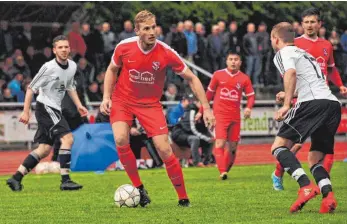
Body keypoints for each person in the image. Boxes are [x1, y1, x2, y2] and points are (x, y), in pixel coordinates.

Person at [99, 10, 215, 207]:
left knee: (164, 149)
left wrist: (206, 107)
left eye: (153, 27)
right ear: (136, 31)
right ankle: (140, 189)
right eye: (146, 28)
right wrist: (106, 97)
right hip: (123, 100)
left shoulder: (166, 52)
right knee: (120, 138)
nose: (152, 32)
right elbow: (111, 70)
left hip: (150, 104)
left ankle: (183, 197)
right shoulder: (123, 47)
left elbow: (192, 78)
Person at [271, 8, 347, 191]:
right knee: (309, 153)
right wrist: (289, 95)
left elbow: (326, 69)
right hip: (324, 101)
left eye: (313, 22)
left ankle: (305, 186)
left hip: (311, 101)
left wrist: (287, 103)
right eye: (306, 22)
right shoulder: (297, 45)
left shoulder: (324, 45)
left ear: (319, 24)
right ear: (301, 24)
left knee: (283, 146)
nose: (310, 25)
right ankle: (324, 193)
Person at [6, 35, 88, 192]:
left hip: (54, 109)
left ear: (69, 49)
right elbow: (31, 88)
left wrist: (79, 105)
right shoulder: (48, 67)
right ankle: (66, 180)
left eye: (66, 47)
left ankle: (16, 178)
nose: (64, 50)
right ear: (54, 50)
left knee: (44, 149)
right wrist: (25, 111)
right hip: (46, 108)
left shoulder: (72, 66)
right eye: (60, 47)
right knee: (68, 138)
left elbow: (70, 87)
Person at [196, 52, 255, 180]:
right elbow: (208, 95)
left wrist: (248, 108)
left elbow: (250, 96)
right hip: (220, 115)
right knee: (220, 143)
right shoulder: (218, 75)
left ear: (240, 62)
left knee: (233, 148)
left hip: (235, 116)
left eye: (236, 59)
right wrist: (201, 111)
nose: (233, 62)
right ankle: (222, 172)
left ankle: (225, 170)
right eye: (231, 59)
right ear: (226, 61)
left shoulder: (244, 78)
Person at [171, 95, 213, 167]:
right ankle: (197, 162)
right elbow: (191, 128)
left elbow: (204, 129)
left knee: (209, 139)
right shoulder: (191, 111)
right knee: (195, 139)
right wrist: (206, 138)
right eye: (202, 102)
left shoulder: (203, 112)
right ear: (197, 102)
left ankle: (206, 162)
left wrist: (210, 137)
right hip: (179, 133)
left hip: (189, 134)